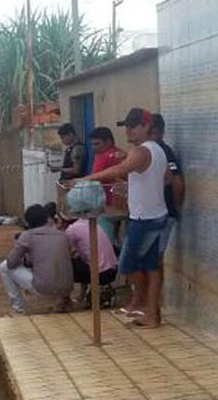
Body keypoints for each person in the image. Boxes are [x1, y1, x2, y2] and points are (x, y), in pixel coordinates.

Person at [77, 107, 168, 328]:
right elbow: (165, 179)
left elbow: (120, 168)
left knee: (128, 264)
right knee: (152, 267)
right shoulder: (157, 150)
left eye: (133, 125)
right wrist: (133, 186)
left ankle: (142, 304)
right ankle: (151, 314)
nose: (128, 130)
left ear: (147, 127)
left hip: (144, 219)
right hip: (157, 214)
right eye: (126, 125)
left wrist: (86, 178)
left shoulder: (141, 151)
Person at [0, 204, 74, 314]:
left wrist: (22, 258)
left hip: (44, 288)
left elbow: (10, 263)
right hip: (67, 287)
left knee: (3, 267)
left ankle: (17, 309)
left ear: (28, 222)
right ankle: (65, 302)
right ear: (46, 218)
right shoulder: (62, 235)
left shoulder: (27, 236)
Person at [150, 113, 185, 275]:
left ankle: (155, 298)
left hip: (163, 213)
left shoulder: (164, 152)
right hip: (154, 213)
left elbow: (177, 182)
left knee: (155, 260)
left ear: (157, 132)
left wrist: (176, 208)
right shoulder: (151, 151)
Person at [61, 215, 118, 302]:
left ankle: (65, 299)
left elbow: (64, 252)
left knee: (65, 263)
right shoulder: (88, 223)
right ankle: (83, 295)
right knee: (80, 259)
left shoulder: (71, 230)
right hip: (112, 272)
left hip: (99, 274)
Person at [90, 126, 127, 247]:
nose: (94, 148)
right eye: (93, 145)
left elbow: (94, 180)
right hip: (124, 203)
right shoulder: (119, 153)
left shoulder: (104, 156)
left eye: (97, 144)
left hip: (109, 205)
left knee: (104, 243)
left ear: (108, 142)